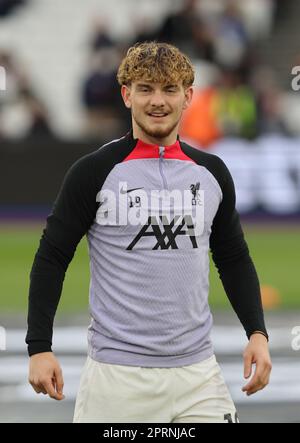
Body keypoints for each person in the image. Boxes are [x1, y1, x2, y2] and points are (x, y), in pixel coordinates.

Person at [26, 42, 272, 423]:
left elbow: (233, 257)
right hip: (117, 381)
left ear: (188, 96)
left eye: (170, 89)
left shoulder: (212, 173)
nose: (158, 101)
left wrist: (257, 333)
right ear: (127, 95)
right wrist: (39, 347)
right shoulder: (93, 172)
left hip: (199, 378)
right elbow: (52, 257)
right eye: (145, 89)